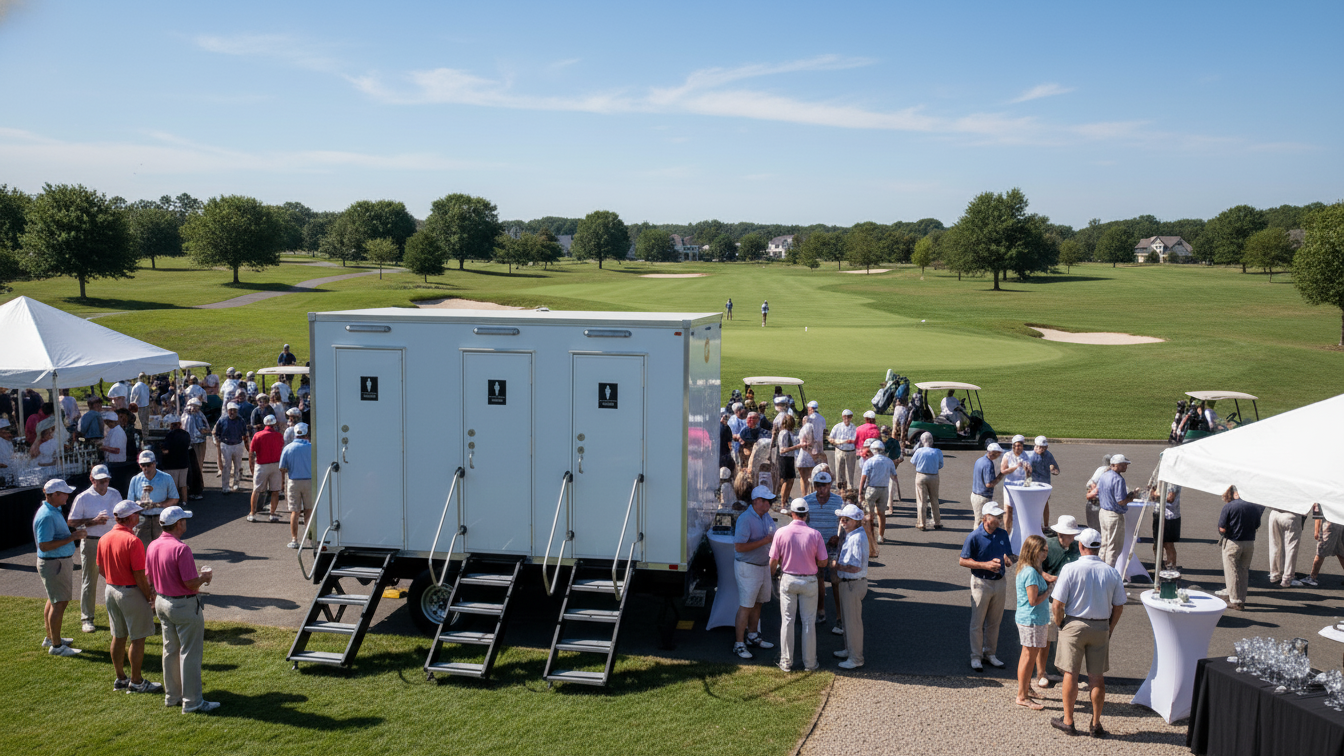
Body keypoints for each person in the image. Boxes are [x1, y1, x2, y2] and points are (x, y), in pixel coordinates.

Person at [1049, 527, 1127, 738]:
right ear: (1098, 548)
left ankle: (1068, 720)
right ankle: (1095, 723)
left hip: (1074, 624)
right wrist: (1109, 628)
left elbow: (1057, 604)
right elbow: (1119, 605)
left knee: (1070, 674)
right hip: (1100, 625)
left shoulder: (1070, 569)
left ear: (1081, 546)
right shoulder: (1111, 572)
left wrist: (1060, 623)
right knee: (1096, 677)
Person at [146, 506, 219, 713]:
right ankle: (193, 702)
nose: (186, 522)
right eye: (184, 520)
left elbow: (149, 576)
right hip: (183, 605)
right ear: (179, 524)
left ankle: (172, 696)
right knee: (190, 654)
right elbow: (190, 584)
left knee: (170, 650)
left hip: (162, 602)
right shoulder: (181, 549)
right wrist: (204, 578)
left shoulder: (153, 545)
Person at [96, 499, 164, 694]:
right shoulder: (133, 541)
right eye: (136, 513)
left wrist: (114, 578)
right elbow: (139, 575)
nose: (139, 516)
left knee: (118, 636)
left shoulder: (104, 538)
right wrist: (149, 595)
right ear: (130, 517)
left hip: (111, 590)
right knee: (138, 638)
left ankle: (120, 678)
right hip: (130, 592)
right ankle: (136, 682)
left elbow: (101, 569)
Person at [769, 498, 829, 672]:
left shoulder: (781, 532)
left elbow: (773, 561)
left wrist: (771, 577)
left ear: (792, 513)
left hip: (788, 579)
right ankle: (810, 663)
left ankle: (786, 662)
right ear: (806, 514)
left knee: (787, 621)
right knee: (808, 622)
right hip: (809, 580)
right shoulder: (815, 534)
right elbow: (823, 562)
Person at [960, 501, 1014, 671]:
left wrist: (1008, 560)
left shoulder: (1003, 534)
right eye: (996, 517)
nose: (999, 520)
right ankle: (975, 656)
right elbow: (963, 560)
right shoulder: (974, 537)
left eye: (1000, 517)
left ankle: (990, 653)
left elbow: (1009, 556)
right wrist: (986, 565)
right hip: (980, 583)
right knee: (978, 622)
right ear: (985, 519)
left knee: (994, 622)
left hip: (1000, 582)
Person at [35, 479, 86, 656]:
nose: (67, 495)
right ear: (54, 495)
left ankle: (51, 638)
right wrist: (73, 537)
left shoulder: (53, 510)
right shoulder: (47, 516)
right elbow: (44, 545)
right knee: (59, 603)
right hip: (54, 563)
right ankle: (56, 646)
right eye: (64, 493)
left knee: (53, 600)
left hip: (56, 562)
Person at [67, 465, 119, 633]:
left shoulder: (115, 494)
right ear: (92, 480)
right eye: (100, 481)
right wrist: (93, 521)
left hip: (112, 542)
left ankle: (118, 615)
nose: (104, 484)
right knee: (89, 581)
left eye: (106, 480)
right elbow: (72, 523)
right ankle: (87, 618)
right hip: (91, 542)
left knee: (117, 579)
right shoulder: (82, 498)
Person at [731, 485, 778, 659]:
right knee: (746, 606)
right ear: (757, 501)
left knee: (758, 603)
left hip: (762, 566)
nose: (769, 504)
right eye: (766, 501)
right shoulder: (745, 519)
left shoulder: (766, 517)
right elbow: (739, 547)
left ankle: (752, 636)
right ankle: (739, 644)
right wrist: (765, 540)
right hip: (748, 567)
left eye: (770, 501)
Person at [1039, 515, 1083, 687]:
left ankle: (1064, 669)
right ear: (1059, 534)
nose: (1071, 539)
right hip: (1050, 598)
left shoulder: (1078, 548)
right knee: (1046, 638)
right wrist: (1045, 575)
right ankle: (1041, 673)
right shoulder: (1047, 546)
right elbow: (1034, 566)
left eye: (1073, 535)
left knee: (1068, 638)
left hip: (1071, 601)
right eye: (1068, 535)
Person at [1015, 534, 1051, 711]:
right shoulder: (1030, 572)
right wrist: (1049, 591)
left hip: (1033, 619)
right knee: (1028, 657)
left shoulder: (1032, 568)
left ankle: (1026, 689)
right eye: (1042, 550)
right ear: (1033, 550)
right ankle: (1022, 696)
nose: (1045, 553)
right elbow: (1033, 600)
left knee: (1027, 655)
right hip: (1031, 619)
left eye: (1046, 550)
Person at [831, 502, 868, 670]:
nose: (842, 522)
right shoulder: (854, 535)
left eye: (846, 519)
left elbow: (856, 567)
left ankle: (856, 658)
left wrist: (836, 566)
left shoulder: (856, 538)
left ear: (855, 521)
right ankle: (849, 650)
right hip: (849, 584)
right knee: (847, 621)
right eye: (841, 519)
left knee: (853, 623)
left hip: (853, 584)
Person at [804, 470, 842, 630]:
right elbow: (803, 523)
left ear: (830, 485)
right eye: (818, 486)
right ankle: (820, 610)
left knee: (835, 580)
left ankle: (840, 616)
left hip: (832, 547)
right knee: (817, 579)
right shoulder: (807, 501)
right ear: (814, 485)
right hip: (814, 547)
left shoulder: (838, 501)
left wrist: (838, 536)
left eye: (824, 486)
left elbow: (844, 522)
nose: (821, 489)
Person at [1216, 486, 1262, 611]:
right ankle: (1240, 598)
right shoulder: (1254, 507)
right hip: (1249, 543)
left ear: (1235, 493)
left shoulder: (1229, 506)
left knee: (1232, 571)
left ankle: (1235, 600)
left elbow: (1222, 527)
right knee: (1243, 571)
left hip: (1233, 542)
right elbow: (1257, 524)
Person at [128, 450, 180, 549]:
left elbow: (174, 498)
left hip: (160, 519)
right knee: (142, 550)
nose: (146, 468)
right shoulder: (135, 480)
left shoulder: (166, 478)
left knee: (163, 549)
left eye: (148, 464)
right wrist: (138, 505)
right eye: (143, 465)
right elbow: (130, 503)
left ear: (154, 463)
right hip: (142, 519)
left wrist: (158, 505)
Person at [1094, 454, 1137, 568]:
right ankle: (1108, 572)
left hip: (1103, 512)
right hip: (1113, 515)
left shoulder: (1104, 475)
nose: (1126, 467)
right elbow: (1121, 501)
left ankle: (1100, 568)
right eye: (1124, 465)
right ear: (1116, 465)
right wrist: (1131, 497)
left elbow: (1098, 491)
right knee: (1113, 547)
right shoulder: (1118, 479)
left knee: (1104, 544)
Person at [280, 423, 313, 548]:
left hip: (294, 481)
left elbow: (282, 468)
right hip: (309, 481)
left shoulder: (288, 448)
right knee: (309, 511)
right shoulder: (312, 447)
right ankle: (311, 538)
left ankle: (294, 540)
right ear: (306, 434)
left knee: (295, 511)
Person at [858, 439, 896, 547]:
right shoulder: (888, 461)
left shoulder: (869, 461)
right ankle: (881, 536)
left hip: (871, 488)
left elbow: (863, 478)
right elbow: (894, 475)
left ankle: (870, 536)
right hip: (884, 489)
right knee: (881, 513)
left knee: (868, 514)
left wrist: (860, 492)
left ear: (872, 450)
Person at [248, 415, 285, 523]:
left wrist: (251, 466)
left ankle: (252, 513)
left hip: (261, 465)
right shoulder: (279, 436)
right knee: (275, 491)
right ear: (274, 424)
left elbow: (251, 453)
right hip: (276, 465)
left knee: (256, 490)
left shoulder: (257, 435)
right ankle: (272, 514)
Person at [1023, 436, 1060, 528]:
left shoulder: (1048, 455)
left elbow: (1057, 470)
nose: (1040, 449)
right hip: (1034, 485)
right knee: (1035, 505)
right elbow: (1027, 474)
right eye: (1038, 446)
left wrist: (1053, 469)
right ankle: (1036, 525)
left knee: (1045, 504)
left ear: (1046, 447)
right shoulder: (1031, 456)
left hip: (1045, 485)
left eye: (1042, 447)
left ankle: (1046, 526)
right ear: (1035, 446)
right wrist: (1026, 486)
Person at [911, 432, 944, 531]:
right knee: (934, 499)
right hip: (934, 476)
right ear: (931, 440)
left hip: (921, 475)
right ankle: (937, 522)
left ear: (922, 441)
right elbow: (941, 465)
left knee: (921, 500)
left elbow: (913, 462)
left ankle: (921, 523)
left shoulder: (919, 451)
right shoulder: (937, 452)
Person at [215, 402, 249, 494]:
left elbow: (245, 433)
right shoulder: (222, 420)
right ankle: (225, 486)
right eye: (231, 410)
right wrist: (218, 443)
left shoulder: (240, 420)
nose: (232, 412)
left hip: (238, 444)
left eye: (234, 410)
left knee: (237, 466)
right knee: (226, 467)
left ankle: (236, 483)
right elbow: (216, 432)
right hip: (226, 445)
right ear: (227, 411)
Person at [1266, 505, 1304, 589]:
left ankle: (1274, 575)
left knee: (1275, 544)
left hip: (1274, 513)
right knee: (1291, 548)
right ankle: (1287, 578)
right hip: (1292, 514)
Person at [971, 443, 1007, 528]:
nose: (999, 456)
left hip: (975, 495)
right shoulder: (988, 464)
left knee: (978, 520)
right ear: (992, 453)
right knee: (980, 522)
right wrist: (1001, 474)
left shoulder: (980, 460)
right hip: (982, 497)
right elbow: (989, 484)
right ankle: (978, 540)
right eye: (998, 453)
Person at [157, 414, 192, 497]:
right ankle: (184, 501)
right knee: (183, 484)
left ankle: (174, 502)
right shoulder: (186, 434)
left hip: (172, 464)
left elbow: (166, 450)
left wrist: (160, 450)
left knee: (174, 485)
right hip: (184, 463)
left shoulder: (170, 435)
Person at [1149, 484, 1182, 571]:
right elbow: (1151, 488)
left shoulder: (1172, 480)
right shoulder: (1159, 474)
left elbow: (1170, 498)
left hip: (1170, 516)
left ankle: (1171, 568)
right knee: (1157, 544)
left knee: (1168, 544)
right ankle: (1159, 568)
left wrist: (1155, 496)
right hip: (1157, 513)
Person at [775, 414, 802, 503]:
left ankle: (786, 498)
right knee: (785, 480)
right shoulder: (784, 433)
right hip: (784, 459)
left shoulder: (789, 433)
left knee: (791, 479)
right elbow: (782, 450)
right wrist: (796, 447)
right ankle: (782, 500)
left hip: (790, 458)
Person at [828, 410, 858, 491]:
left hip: (851, 451)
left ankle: (850, 488)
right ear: (842, 417)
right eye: (845, 416)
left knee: (850, 472)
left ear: (851, 417)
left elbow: (856, 440)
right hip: (840, 450)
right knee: (839, 471)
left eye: (848, 417)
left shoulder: (854, 428)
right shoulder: (837, 427)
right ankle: (840, 488)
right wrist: (834, 441)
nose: (846, 418)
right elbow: (830, 438)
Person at [1083, 454, 1113, 532]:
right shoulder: (1105, 470)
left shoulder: (1101, 469)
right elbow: (1092, 483)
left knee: (1094, 529)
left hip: (1095, 503)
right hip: (1100, 504)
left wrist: (1093, 490)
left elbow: (1090, 484)